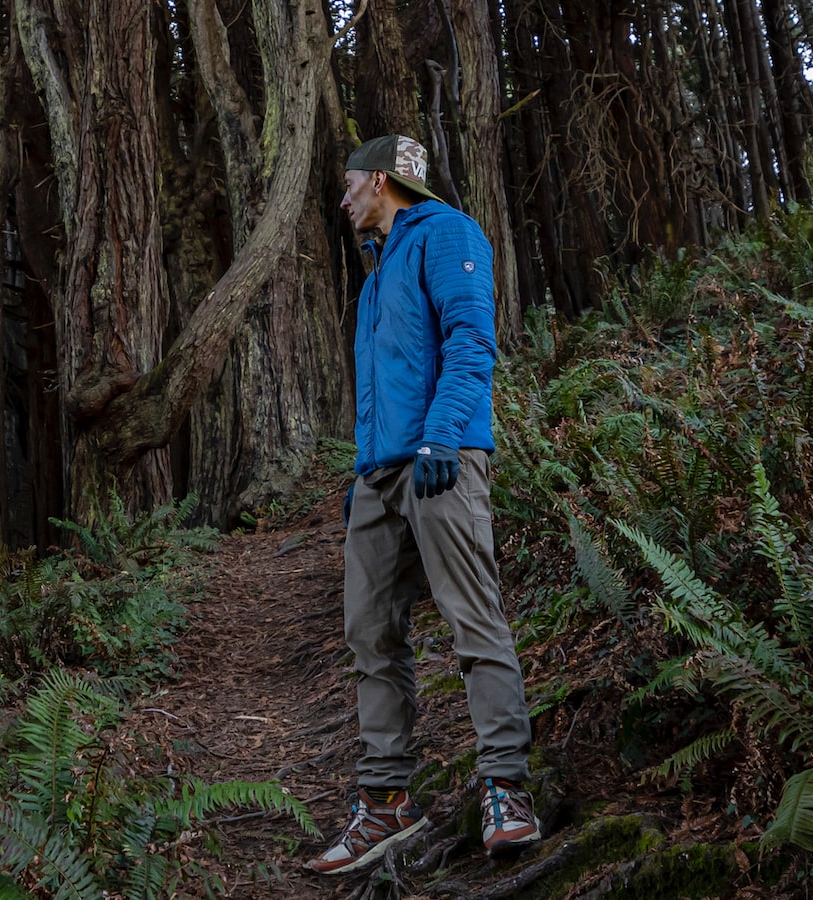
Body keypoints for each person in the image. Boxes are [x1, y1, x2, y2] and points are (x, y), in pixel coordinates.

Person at [305, 134, 541, 876]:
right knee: (370, 633)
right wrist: (360, 475)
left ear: (380, 182)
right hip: (380, 478)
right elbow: (382, 389)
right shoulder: (375, 279)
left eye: (348, 188)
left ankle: (507, 788)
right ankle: (386, 803)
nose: (342, 203)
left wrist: (442, 439)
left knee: (473, 619)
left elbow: (472, 342)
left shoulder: (448, 235)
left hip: (443, 462)